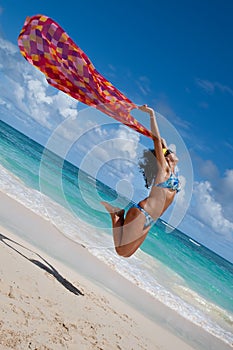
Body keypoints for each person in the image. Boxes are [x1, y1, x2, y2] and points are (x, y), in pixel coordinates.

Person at [101, 105, 180, 257]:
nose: (171, 151)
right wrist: (151, 114)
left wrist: (163, 146)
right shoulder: (164, 170)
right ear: (165, 158)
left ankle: (118, 216)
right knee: (121, 251)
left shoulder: (173, 173)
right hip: (142, 213)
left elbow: (161, 141)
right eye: (168, 152)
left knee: (126, 254)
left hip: (150, 218)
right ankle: (116, 216)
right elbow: (157, 139)